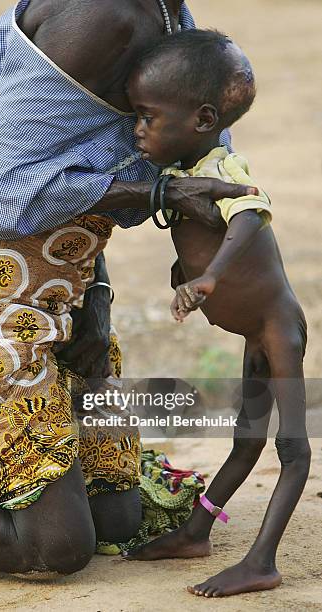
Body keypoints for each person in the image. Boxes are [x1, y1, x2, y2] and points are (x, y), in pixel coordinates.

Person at [0, 1, 255, 574]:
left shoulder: (166, 11)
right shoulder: (102, 15)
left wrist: (94, 302)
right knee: (56, 546)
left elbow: (80, 151)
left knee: (117, 519)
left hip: (61, 272)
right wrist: (158, 196)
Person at [124, 29, 310, 597]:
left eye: (147, 116)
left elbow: (251, 213)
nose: (137, 128)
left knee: (292, 447)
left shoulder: (226, 167)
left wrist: (209, 276)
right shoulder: (180, 175)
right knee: (246, 438)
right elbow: (192, 238)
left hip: (277, 330)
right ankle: (197, 530)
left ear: (202, 119)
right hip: (253, 332)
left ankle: (262, 562)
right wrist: (184, 275)